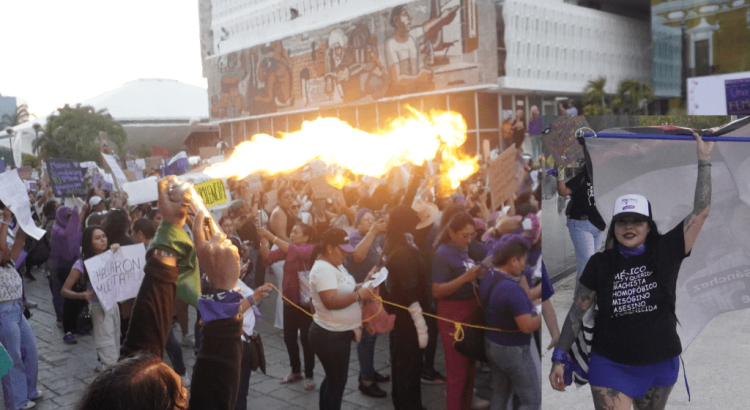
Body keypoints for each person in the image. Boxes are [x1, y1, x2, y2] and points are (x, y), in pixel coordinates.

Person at [549, 133, 714, 410]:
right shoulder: (599, 264)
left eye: (637, 221)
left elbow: (700, 211)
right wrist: (559, 355)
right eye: (622, 221)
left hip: (660, 364)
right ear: (613, 227)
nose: (630, 226)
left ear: (649, 226)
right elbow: (578, 311)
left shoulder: (667, 249)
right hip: (610, 364)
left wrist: (704, 160)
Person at [77, 176, 265, 410]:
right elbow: (213, 397)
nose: (187, 394)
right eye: (182, 398)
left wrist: (170, 231)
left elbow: (138, 361)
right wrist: (223, 292)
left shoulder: (120, 399)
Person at [308, 228, 375, 410]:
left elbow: (344, 288)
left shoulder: (335, 263)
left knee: (333, 379)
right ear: (330, 248)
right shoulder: (323, 269)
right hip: (330, 336)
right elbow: (330, 302)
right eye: (342, 249)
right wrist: (359, 296)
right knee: (337, 382)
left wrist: (365, 284)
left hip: (336, 334)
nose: (346, 254)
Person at [480, 235, 541, 410]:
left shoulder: (489, 277)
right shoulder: (511, 289)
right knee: (532, 400)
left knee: (501, 393)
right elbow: (527, 326)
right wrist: (543, 316)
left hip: (492, 344)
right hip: (513, 350)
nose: (524, 266)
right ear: (513, 260)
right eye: (523, 261)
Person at [431, 211, 484, 410]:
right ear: (451, 233)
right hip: (453, 314)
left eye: (471, 235)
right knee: (457, 372)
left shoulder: (462, 248)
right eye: (464, 235)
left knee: (470, 368)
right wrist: (465, 278)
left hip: (470, 311)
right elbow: (436, 290)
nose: (468, 239)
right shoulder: (442, 254)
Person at [257, 222, 317, 390]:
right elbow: (267, 257)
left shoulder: (310, 249)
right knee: (289, 338)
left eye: (296, 232)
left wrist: (270, 235)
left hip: (305, 303)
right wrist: (263, 239)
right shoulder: (288, 249)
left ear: (306, 237)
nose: (292, 234)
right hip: (289, 300)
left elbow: (295, 251)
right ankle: (296, 371)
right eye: (291, 231)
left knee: (306, 339)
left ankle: (310, 375)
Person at [382, 206, 430, 410]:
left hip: (402, 316)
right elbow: (411, 295)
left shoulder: (395, 242)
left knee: (406, 366)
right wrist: (421, 327)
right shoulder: (402, 254)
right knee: (408, 368)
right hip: (408, 319)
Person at [61, 227, 121, 371]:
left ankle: (107, 372)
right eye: (97, 238)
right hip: (99, 309)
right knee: (108, 351)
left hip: (113, 306)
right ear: (89, 242)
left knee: (116, 345)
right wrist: (81, 295)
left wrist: (118, 250)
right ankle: (109, 382)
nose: (103, 240)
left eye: (104, 236)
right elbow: (64, 290)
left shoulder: (110, 255)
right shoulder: (81, 263)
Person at [345, 208, 390, 398]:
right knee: (367, 337)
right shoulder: (354, 239)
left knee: (371, 335)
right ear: (358, 224)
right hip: (361, 296)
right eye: (366, 220)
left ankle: (369, 371)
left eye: (373, 219)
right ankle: (366, 381)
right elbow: (357, 257)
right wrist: (373, 231)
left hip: (372, 293)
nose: (371, 222)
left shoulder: (377, 239)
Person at [0, 205, 41, 410]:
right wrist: (6, 219)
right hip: (2, 312)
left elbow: (18, 242)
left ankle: (29, 390)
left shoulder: (7, 262)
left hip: (15, 308)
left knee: (29, 350)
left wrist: (23, 222)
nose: (7, 248)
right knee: (10, 358)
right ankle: (15, 402)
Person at [557, 153, 606, 283]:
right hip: (581, 224)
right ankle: (583, 300)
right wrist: (560, 174)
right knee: (588, 266)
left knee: (587, 266)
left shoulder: (603, 180)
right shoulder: (582, 178)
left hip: (598, 225)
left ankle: (579, 301)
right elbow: (563, 191)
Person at [51, 205, 83, 344]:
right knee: (68, 298)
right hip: (63, 266)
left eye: (71, 216)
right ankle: (67, 329)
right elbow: (66, 235)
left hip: (75, 264)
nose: (69, 219)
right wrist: (76, 216)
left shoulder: (73, 227)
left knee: (77, 296)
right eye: (67, 216)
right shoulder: (56, 228)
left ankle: (76, 325)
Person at [268, 186, 299, 329]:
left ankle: (286, 324)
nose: (289, 199)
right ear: (279, 198)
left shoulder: (286, 210)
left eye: (291, 196)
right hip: (281, 252)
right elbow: (281, 237)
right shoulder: (279, 213)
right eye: (286, 196)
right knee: (285, 288)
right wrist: (296, 248)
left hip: (287, 251)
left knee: (288, 288)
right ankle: (283, 325)